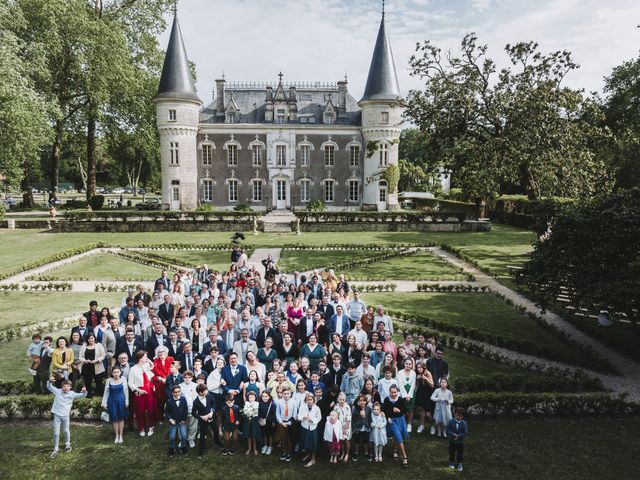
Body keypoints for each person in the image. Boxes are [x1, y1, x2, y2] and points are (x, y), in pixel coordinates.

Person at [47, 376, 87, 458]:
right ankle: (55, 449)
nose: (66, 388)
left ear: (70, 387)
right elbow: (49, 387)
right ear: (62, 387)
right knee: (56, 433)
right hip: (57, 415)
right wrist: (50, 381)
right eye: (64, 386)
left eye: (68, 386)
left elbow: (82, 395)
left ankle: (67, 445)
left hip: (66, 416)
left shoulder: (72, 394)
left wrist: (84, 391)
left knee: (66, 430)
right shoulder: (57, 391)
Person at [128, 350, 157, 437]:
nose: (146, 358)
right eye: (145, 356)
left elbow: (152, 367)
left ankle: (151, 426)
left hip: (149, 391)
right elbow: (130, 382)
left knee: (151, 410)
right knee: (140, 411)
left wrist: (149, 361)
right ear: (140, 358)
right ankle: (142, 428)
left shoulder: (147, 365)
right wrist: (138, 390)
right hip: (140, 392)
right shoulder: (133, 369)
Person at [191, 383, 222, 458]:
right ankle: (201, 449)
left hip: (212, 417)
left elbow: (213, 403)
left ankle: (217, 442)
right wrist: (201, 417)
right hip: (203, 420)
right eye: (205, 390)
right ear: (200, 392)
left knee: (216, 430)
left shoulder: (209, 396)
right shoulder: (195, 402)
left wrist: (212, 411)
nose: (207, 391)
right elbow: (193, 413)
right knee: (202, 434)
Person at [102, 366, 129, 444]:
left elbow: (126, 391)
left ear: (120, 372)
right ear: (112, 373)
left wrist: (127, 401)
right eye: (115, 372)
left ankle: (121, 436)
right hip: (112, 401)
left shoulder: (123, 379)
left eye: (118, 372)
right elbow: (106, 392)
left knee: (121, 418)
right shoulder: (109, 380)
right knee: (114, 419)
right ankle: (116, 435)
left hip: (121, 401)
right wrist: (104, 403)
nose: (116, 374)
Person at [297, 393, 322, 468]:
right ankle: (308, 454)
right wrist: (303, 417)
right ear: (305, 400)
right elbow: (299, 416)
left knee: (313, 443)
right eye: (307, 400)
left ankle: (313, 459)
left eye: (311, 400)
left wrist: (313, 420)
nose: (309, 401)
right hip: (304, 427)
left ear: (313, 400)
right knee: (305, 442)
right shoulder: (302, 407)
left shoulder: (316, 408)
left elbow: (319, 417)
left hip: (312, 428)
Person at [79, 333, 106, 398]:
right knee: (87, 383)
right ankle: (89, 397)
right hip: (86, 367)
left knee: (99, 383)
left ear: (94, 338)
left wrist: (96, 360)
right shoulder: (84, 346)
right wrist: (85, 361)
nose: (90, 340)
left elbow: (103, 355)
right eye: (89, 338)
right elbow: (80, 357)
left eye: (92, 338)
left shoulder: (99, 345)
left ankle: (101, 396)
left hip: (97, 367)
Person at [165, 385, 189, 457]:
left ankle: (183, 447)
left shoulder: (183, 399)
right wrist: (170, 419)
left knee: (184, 435)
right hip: (173, 421)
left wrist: (184, 419)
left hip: (181, 421)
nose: (177, 393)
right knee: (172, 436)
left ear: (180, 392)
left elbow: (185, 410)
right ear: (172, 393)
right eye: (175, 392)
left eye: (178, 392)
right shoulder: (169, 401)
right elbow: (166, 412)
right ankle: (172, 448)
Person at [276, 388, 296, 461]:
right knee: (283, 438)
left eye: (288, 394)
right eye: (284, 394)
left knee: (289, 438)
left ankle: (289, 452)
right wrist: (281, 422)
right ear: (282, 394)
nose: (286, 395)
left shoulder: (293, 402)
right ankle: (284, 451)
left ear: (290, 394)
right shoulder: (279, 402)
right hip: (282, 422)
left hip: (290, 422)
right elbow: (277, 412)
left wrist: (289, 422)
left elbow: (295, 413)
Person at [396, 358, 417, 432]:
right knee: (403, 409)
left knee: (410, 409)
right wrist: (405, 395)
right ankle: (403, 424)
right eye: (406, 363)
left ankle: (409, 424)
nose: (408, 365)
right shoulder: (400, 372)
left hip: (411, 393)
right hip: (402, 393)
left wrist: (409, 395)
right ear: (404, 364)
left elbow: (413, 385)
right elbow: (400, 385)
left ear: (411, 365)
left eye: (409, 364)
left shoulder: (413, 373)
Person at [179, 371, 198, 448]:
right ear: (183, 378)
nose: (187, 379)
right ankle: (182, 439)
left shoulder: (196, 386)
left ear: (192, 378)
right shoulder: (179, 386)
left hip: (193, 409)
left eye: (189, 377)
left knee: (193, 425)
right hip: (183, 410)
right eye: (185, 377)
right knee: (182, 425)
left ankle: (191, 439)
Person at [414, 361, 435, 433]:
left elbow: (432, 385)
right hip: (420, 393)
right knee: (421, 411)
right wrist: (417, 379)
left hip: (428, 394)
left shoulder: (427, 373)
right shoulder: (417, 374)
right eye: (418, 367)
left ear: (424, 367)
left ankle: (432, 425)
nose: (419, 369)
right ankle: (422, 425)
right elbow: (417, 385)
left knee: (428, 413)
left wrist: (425, 378)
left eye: (420, 367)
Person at [351, 394, 372, 462]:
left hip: (365, 428)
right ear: (358, 402)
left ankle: (366, 452)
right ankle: (356, 452)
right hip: (357, 428)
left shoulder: (368, 409)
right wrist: (354, 428)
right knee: (357, 441)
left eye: (363, 401)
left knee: (365, 441)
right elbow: (353, 419)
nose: (362, 402)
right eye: (360, 401)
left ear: (366, 402)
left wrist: (369, 426)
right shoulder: (355, 409)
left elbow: (369, 418)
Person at [333, 392, 352, 462]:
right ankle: (343, 453)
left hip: (346, 426)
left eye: (343, 400)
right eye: (340, 399)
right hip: (338, 426)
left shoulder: (347, 406)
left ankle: (347, 454)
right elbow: (334, 416)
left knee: (346, 440)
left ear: (345, 400)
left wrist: (346, 428)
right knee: (341, 440)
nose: (341, 401)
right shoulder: (336, 406)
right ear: (338, 399)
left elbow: (349, 418)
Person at [447, 407, 468, 472]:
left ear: (462, 416)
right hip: (452, 441)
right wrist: (452, 434)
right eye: (457, 415)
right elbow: (448, 430)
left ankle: (460, 463)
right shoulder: (451, 421)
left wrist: (459, 435)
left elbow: (465, 432)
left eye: (460, 416)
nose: (458, 417)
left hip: (460, 442)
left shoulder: (464, 423)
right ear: (454, 414)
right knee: (452, 452)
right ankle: (451, 462)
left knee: (460, 453)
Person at [258, 390, 277, 455]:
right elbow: (259, 413)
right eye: (263, 396)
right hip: (262, 422)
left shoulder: (272, 404)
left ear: (269, 397)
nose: (264, 398)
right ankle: (265, 445)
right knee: (264, 434)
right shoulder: (260, 403)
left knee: (270, 434)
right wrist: (259, 419)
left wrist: (274, 421)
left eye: (266, 396)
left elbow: (274, 414)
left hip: (270, 422)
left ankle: (270, 446)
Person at [242, 390, 261, 456]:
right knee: (248, 435)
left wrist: (253, 413)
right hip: (248, 421)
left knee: (254, 434)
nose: (251, 399)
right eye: (250, 397)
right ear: (248, 398)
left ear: (255, 397)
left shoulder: (257, 403)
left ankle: (255, 448)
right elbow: (245, 411)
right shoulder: (246, 403)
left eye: (253, 397)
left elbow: (257, 412)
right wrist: (247, 413)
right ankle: (249, 448)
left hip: (254, 421)